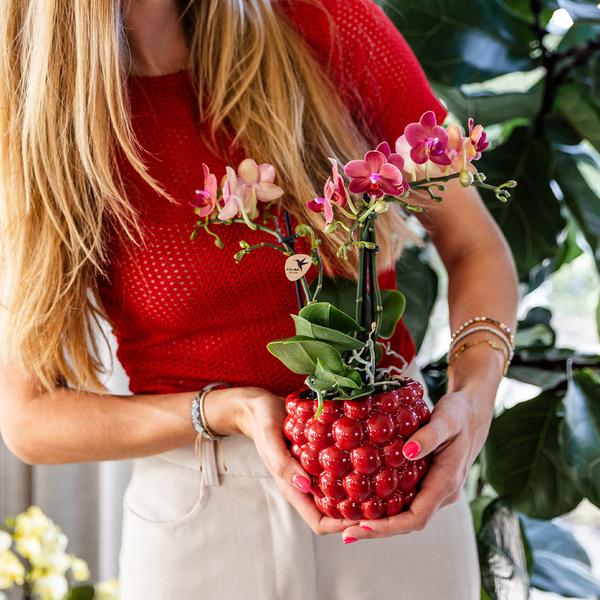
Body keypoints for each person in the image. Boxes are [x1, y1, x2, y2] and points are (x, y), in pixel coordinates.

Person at [0, 0, 518, 598]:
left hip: (391, 486)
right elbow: (29, 418)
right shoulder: (38, 117)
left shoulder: (328, 22)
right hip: (203, 514)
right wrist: (226, 409)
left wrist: (474, 397)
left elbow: (476, 245)